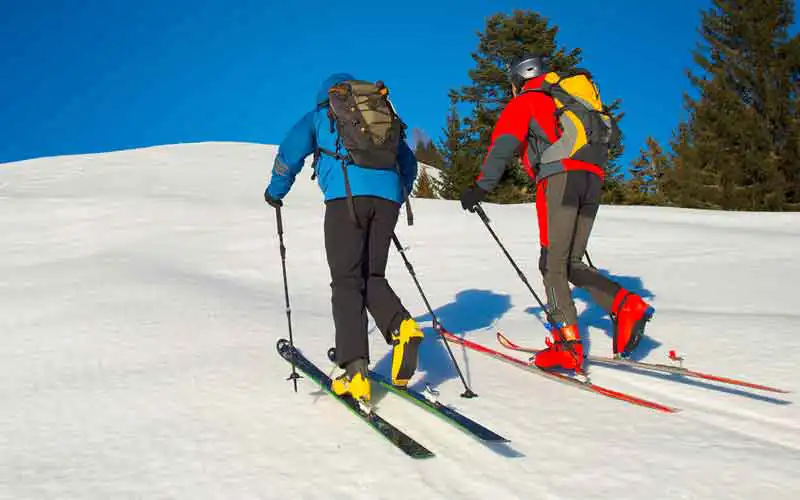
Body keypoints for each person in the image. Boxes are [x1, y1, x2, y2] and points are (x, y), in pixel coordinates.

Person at [459, 55, 653, 373]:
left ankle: (567, 346)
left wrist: (481, 187)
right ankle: (624, 304)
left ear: (519, 79)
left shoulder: (528, 101)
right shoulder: (565, 98)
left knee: (552, 264)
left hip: (559, 180)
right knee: (569, 263)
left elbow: (504, 144)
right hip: (592, 179)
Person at [263, 73, 423, 403]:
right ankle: (402, 327)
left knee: (347, 280)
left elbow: (289, 155)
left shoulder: (321, 116)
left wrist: (275, 192)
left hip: (345, 199)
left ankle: (354, 369)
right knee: (372, 275)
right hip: (388, 200)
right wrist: (393, 192)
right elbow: (408, 162)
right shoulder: (381, 116)